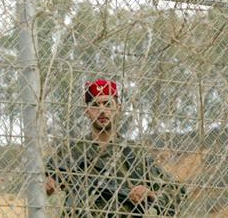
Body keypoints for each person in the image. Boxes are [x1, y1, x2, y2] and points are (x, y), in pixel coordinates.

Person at [45, 79, 186, 217]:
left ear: (117, 108)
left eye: (107, 104)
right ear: (87, 111)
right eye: (95, 105)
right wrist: (47, 186)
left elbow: (178, 193)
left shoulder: (132, 152)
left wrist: (150, 195)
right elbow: (41, 183)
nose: (102, 110)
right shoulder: (72, 151)